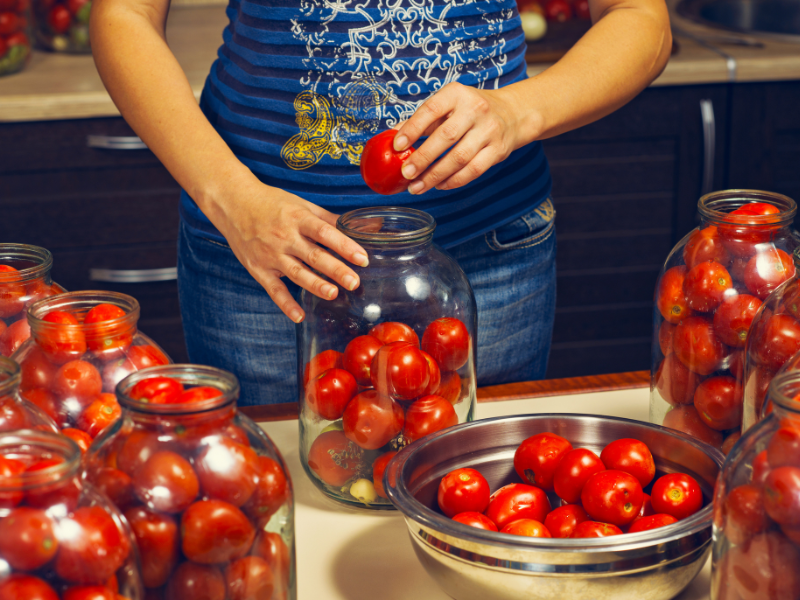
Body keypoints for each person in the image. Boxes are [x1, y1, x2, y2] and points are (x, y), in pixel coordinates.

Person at [90, 0, 671, 405]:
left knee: (475, 517)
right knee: (274, 528)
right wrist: (231, 198)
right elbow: (125, 13)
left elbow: (639, 17)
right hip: (263, 264)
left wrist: (521, 110)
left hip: (489, 255)